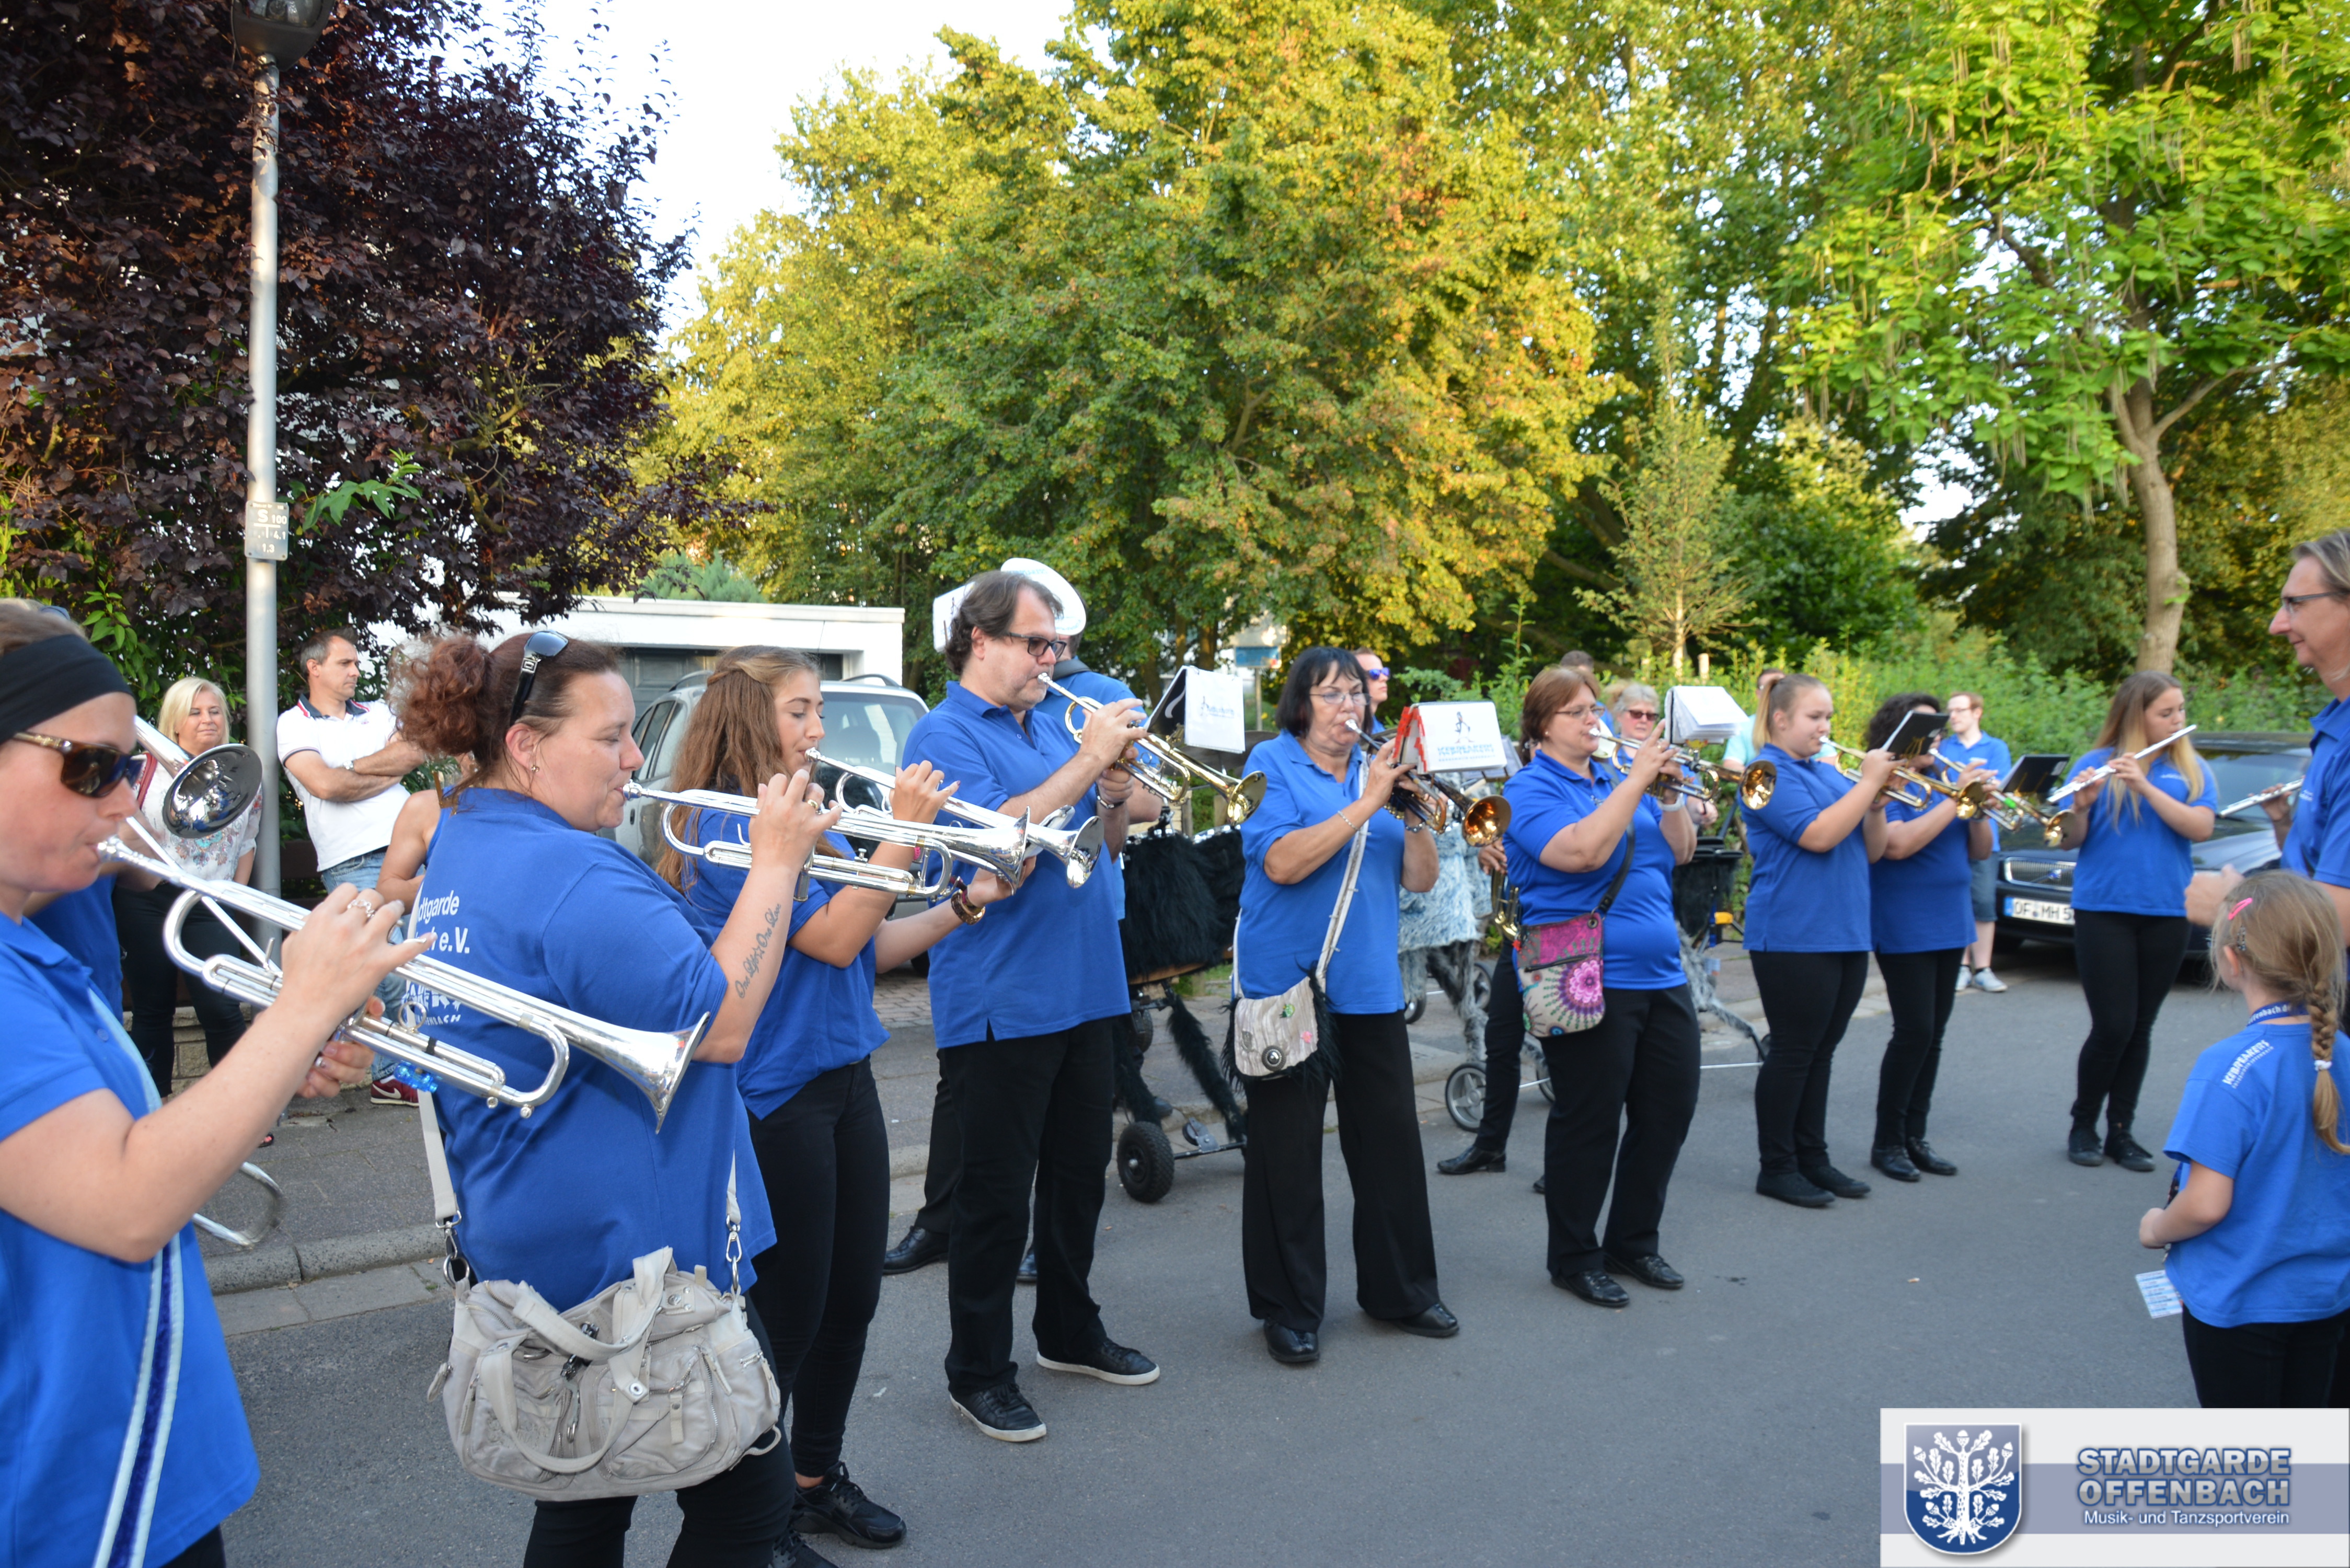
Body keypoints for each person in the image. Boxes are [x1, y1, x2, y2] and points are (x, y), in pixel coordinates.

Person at [394, 629, 837, 1566]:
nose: (636, 759)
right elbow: (722, 1027)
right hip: (633, 1258)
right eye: (610, 737)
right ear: (526, 746)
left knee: (584, 1497)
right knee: (749, 1503)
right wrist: (776, 861)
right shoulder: (568, 870)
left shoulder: (465, 835)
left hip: (539, 1237)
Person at [0, 599, 393, 1568]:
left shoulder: (34, 955)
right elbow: (128, 1201)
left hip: (131, 1458)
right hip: (79, 1501)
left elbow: (109, 1156)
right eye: (91, 768)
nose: (127, 804)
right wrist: (301, 1009)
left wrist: (279, 1057)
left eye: (127, 770)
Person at [664, 646, 1021, 1550]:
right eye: (801, 711)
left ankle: (814, 1478)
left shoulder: (808, 820)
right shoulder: (727, 823)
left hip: (845, 1075)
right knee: (789, 1317)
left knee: (851, 1300)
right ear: (749, 717)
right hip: (775, 1091)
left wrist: (964, 905)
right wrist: (902, 831)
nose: (819, 729)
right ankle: (757, 1514)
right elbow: (827, 937)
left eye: (818, 710)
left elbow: (868, 949)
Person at [900, 570, 1156, 1443]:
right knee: (995, 1199)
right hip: (1002, 996)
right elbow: (998, 835)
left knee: (1079, 1180)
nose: (1053, 659)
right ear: (980, 640)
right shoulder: (940, 733)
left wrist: (1112, 790)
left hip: (1087, 982)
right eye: (1036, 643)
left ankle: (1069, 1330)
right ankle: (977, 1371)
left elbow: (1102, 847)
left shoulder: (1049, 722)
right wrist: (1088, 761)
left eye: (1057, 645)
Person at [1237, 648, 1452, 1365]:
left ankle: (1402, 1292)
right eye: (1330, 694)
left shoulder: (1380, 772)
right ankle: (1288, 1308)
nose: (1348, 706)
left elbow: (1419, 880)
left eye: (1356, 693)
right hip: (1285, 985)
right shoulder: (1270, 763)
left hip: (1368, 986)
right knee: (1286, 1154)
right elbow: (1281, 862)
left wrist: (1413, 812)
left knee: (1390, 1146)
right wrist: (1367, 801)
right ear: (1300, 705)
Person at [1498, 666, 1702, 1307]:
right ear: (1540, 726)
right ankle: (1574, 1257)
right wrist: (1638, 779)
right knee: (1588, 1121)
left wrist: (1669, 796)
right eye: (1576, 712)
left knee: (1667, 1112)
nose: (1594, 721)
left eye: (1595, 709)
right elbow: (1580, 852)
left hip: (1661, 972)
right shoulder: (1527, 790)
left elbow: (1681, 852)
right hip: (1583, 972)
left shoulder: (1618, 777)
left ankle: (1633, 1242)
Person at [2139, 871, 2350, 1407]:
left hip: (2238, 1302)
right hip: (2329, 1295)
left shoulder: (2229, 1067)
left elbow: (2205, 1204)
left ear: (2231, 961)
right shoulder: (2343, 1053)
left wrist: (2156, 1228)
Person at [1743, 673, 1899, 1207]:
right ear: (1780, 718)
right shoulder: (1763, 773)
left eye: (1828, 717)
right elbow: (1818, 836)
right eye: (1815, 717)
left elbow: (1871, 850)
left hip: (1844, 929)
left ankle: (1812, 1158)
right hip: (1793, 932)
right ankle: (1777, 1167)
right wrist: (1866, 785)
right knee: (1793, 1051)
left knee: (1821, 1052)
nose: (1825, 727)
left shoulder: (1828, 774)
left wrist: (1875, 805)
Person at [2059, 672, 2216, 1172]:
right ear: (2136, 716)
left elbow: (2201, 827)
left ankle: (2121, 1131)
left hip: (2167, 911)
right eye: (2165, 713)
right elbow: (2067, 839)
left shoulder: (2190, 769)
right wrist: (2080, 807)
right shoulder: (2095, 763)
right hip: (2103, 910)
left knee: (2141, 1027)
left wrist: (2144, 785)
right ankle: (2084, 1124)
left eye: (2180, 710)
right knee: (2113, 1026)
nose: (2177, 719)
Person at [276, 626, 428, 1104]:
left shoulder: (378, 712)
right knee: (388, 967)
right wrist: (381, 769)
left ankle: (419, 1068)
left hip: (414, 846)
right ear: (314, 668)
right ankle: (390, 1074)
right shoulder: (294, 724)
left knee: (431, 956)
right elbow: (324, 787)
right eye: (345, 663)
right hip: (353, 859)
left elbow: (412, 753)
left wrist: (352, 769)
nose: (356, 671)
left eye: (358, 663)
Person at [2191, 528, 2350, 943]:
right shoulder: (2336, 726)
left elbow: (2343, 915)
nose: (2276, 625)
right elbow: (2311, 869)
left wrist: (2232, 907)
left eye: (2295, 604)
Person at [1862, 694, 1996, 1184]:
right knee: (1914, 1031)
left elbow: (1981, 852)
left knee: (1934, 1035)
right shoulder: (1890, 781)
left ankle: (1914, 1137)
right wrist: (1957, 801)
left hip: (1951, 916)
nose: (1937, 739)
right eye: (1927, 730)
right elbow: (1896, 846)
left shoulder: (1943, 779)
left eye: (1938, 730)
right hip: (1906, 919)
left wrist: (1977, 809)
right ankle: (1887, 1141)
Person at [114, 677, 263, 1093]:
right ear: (175, 722)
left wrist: (232, 898)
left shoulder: (243, 774)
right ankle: (153, 1103)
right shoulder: (141, 770)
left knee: (222, 1007)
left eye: (214, 712)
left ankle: (240, 1104)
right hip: (147, 898)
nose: (207, 720)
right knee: (152, 1009)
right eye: (195, 713)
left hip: (208, 900)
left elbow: (247, 843)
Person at [1940, 691, 2012, 993]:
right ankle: (1960, 966)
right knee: (1956, 902)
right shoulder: (1943, 747)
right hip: (1949, 835)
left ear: (1977, 712)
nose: (1953, 716)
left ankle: (1983, 968)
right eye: (1951, 711)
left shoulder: (1996, 747)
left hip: (1984, 836)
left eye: (1960, 710)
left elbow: (1999, 786)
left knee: (1983, 902)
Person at [1721, 667, 1785, 771]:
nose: (1775, 692)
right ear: (1758, 694)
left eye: (1780, 687)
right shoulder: (1743, 727)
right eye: (1768, 688)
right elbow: (1731, 763)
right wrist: (1756, 777)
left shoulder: (1800, 722)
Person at [1352, 649, 1391, 733]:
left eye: (1385, 672)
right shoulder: (1349, 729)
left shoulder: (1377, 727)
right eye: (1375, 673)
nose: (1385, 678)